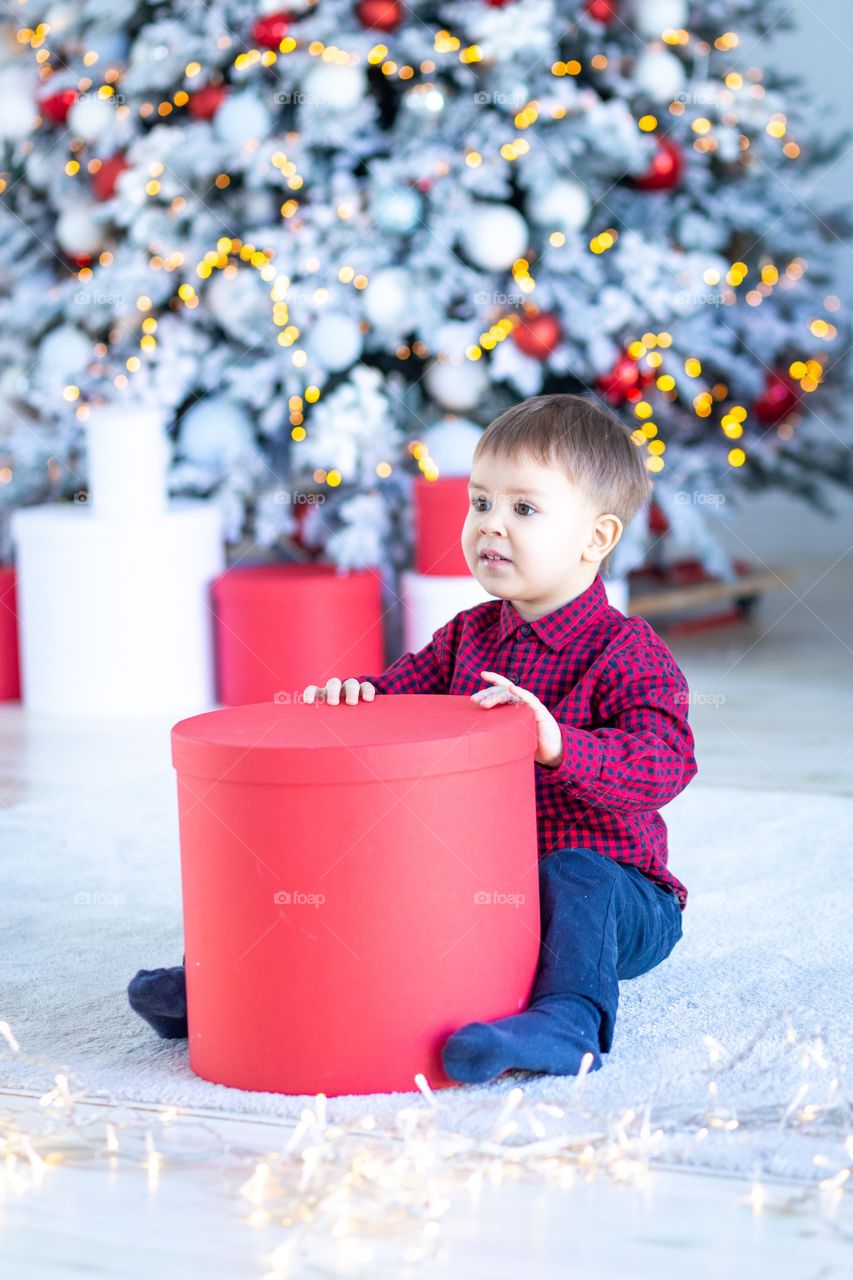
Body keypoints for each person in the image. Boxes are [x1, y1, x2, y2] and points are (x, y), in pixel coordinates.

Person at [129, 392, 698, 1084]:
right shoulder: (467, 635)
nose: (491, 526)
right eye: (480, 503)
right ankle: (227, 985)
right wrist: (356, 702)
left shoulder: (625, 651)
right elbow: (397, 710)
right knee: (356, 854)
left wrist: (557, 742)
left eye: (523, 509)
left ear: (596, 538)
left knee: (572, 874)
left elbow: (664, 764)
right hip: (484, 888)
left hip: (619, 897)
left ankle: (567, 1020)